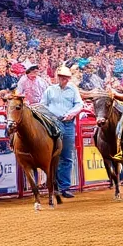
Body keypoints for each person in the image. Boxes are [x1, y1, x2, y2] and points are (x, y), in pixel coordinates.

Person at [40, 64, 80, 199]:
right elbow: (43, 105)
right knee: (54, 155)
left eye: (65, 78)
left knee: (66, 156)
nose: (63, 80)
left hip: (67, 123)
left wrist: (71, 113)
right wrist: (50, 115)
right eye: (61, 77)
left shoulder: (73, 90)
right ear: (58, 77)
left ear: (68, 79)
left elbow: (79, 104)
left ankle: (64, 186)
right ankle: (56, 185)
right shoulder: (50, 90)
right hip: (53, 123)